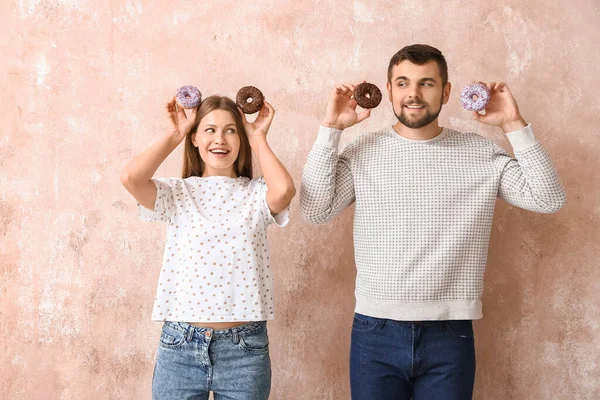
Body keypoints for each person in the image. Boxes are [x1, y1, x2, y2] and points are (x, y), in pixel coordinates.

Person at [300, 44, 566, 399]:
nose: (413, 93)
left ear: (446, 92)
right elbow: (315, 210)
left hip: (449, 334)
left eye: (426, 83)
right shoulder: (362, 152)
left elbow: (548, 199)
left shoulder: (482, 154)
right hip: (374, 332)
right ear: (389, 89)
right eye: (403, 83)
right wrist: (331, 129)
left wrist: (514, 125)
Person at [120, 93, 295, 400]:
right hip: (180, 349)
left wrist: (258, 137)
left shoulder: (256, 194)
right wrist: (176, 133)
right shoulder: (176, 193)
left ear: (240, 140)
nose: (221, 139)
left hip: (245, 350)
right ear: (196, 139)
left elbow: (284, 190)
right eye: (210, 129)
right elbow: (131, 177)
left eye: (231, 130)